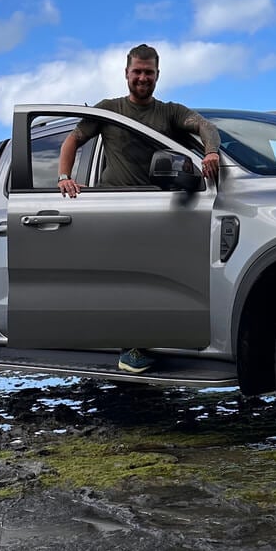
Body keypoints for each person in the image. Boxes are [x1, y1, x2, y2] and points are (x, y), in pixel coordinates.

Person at [55, 43, 221, 373]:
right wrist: (64, 176)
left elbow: (206, 127)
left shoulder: (170, 112)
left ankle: (156, 338)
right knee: (128, 279)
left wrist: (211, 152)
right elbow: (73, 139)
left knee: (160, 278)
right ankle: (130, 348)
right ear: (126, 74)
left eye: (149, 72)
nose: (142, 77)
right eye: (137, 72)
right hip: (111, 208)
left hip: (158, 208)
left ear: (158, 75)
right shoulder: (108, 110)